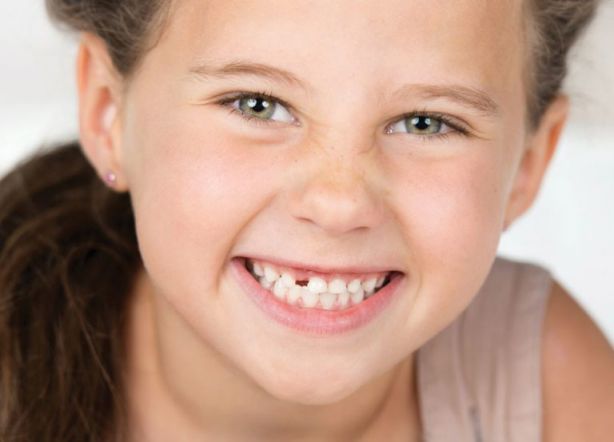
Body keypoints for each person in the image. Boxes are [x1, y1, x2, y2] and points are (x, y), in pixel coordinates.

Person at [0, 0, 612, 440]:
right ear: (108, 114)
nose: (339, 204)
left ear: (527, 164)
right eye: (257, 104)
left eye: (426, 122)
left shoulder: (548, 384)